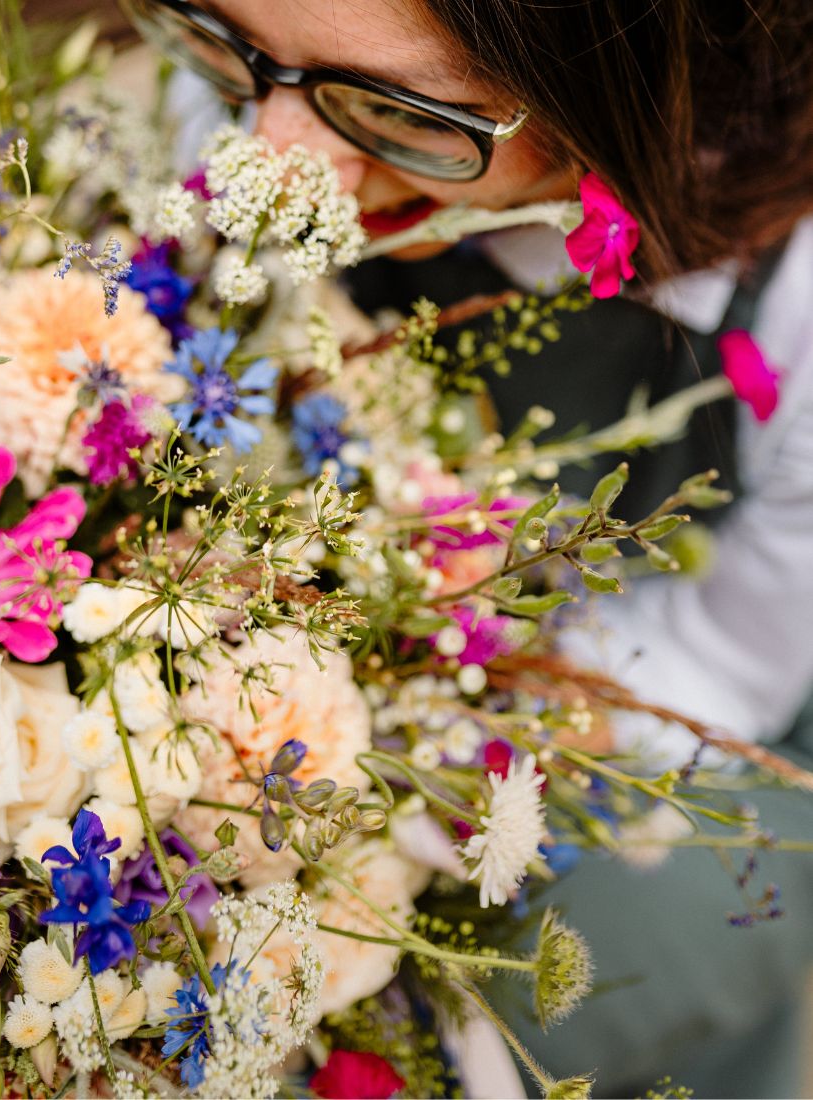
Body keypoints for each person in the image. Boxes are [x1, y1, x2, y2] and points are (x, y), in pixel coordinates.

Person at [114, 0, 813, 1094]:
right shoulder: (266, 76)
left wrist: (418, 720)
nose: (270, 158)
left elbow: (725, 662)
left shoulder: (792, 296)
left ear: (619, 85)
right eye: (222, 41)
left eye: (394, 109)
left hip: (676, 707)